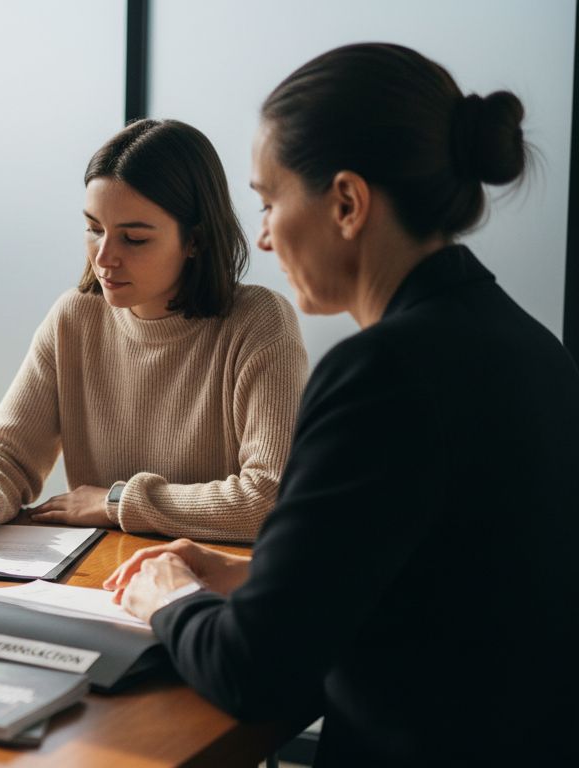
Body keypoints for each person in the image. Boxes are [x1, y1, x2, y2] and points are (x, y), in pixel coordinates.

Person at [106, 43, 579, 766]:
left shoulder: (383, 372)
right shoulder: (530, 347)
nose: (262, 236)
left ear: (348, 203)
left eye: (269, 202)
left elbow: (252, 673)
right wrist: (253, 576)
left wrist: (168, 595)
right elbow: (438, 581)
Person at [0, 119, 308, 545]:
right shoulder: (75, 317)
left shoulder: (259, 322)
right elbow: (6, 451)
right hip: (96, 571)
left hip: (207, 584)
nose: (104, 257)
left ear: (195, 241)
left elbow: (271, 497)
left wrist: (118, 502)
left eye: (133, 238)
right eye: (94, 229)